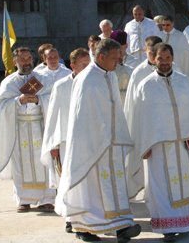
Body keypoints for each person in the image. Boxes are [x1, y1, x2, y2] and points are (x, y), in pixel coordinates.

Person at [126, 43, 189, 242]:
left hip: (183, 144)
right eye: (160, 59)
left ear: (173, 58)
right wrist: (142, 145)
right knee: (160, 185)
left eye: (167, 58)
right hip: (157, 146)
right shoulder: (146, 85)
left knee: (184, 182)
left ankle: (185, 221)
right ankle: (167, 225)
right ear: (154, 59)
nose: (164, 63)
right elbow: (140, 118)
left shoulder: (183, 81)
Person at [56, 39, 141, 243]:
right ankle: (84, 228)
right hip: (92, 146)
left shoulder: (109, 75)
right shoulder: (87, 79)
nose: (117, 62)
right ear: (101, 57)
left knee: (115, 186)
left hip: (111, 144)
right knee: (91, 188)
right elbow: (82, 118)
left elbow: (114, 110)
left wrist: (119, 136)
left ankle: (121, 226)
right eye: (114, 58)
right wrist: (98, 139)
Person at [0, 47, 56, 213]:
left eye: (29, 58)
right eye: (22, 59)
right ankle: (23, 199)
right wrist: (17, 101)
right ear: (15, 62)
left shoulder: (44, 78)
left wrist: (39, 100)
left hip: (40, 126)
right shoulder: (9, 82)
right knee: (20, 164)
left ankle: (47, 199)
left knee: (44, 162)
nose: (27, 62)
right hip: (19, 129)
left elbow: (54, 99)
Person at [40, 48, 91, 234]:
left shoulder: (93, 83)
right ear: (73, 65)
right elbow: (52, 117)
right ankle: (70, 218)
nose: (87, 68)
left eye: (89, 64)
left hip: (88, 142)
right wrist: (52, 144)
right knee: (67, 182)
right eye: (84, 65)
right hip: (65, 143)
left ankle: (87, 215)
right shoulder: (61, 86)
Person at [123, 35, 163, 131]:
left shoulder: (173, 69)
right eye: (150, 53)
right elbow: (132, 103)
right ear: (145, 50)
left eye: (157, 53)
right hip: (147, 121)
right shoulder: (139, 72)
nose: (154, 57)